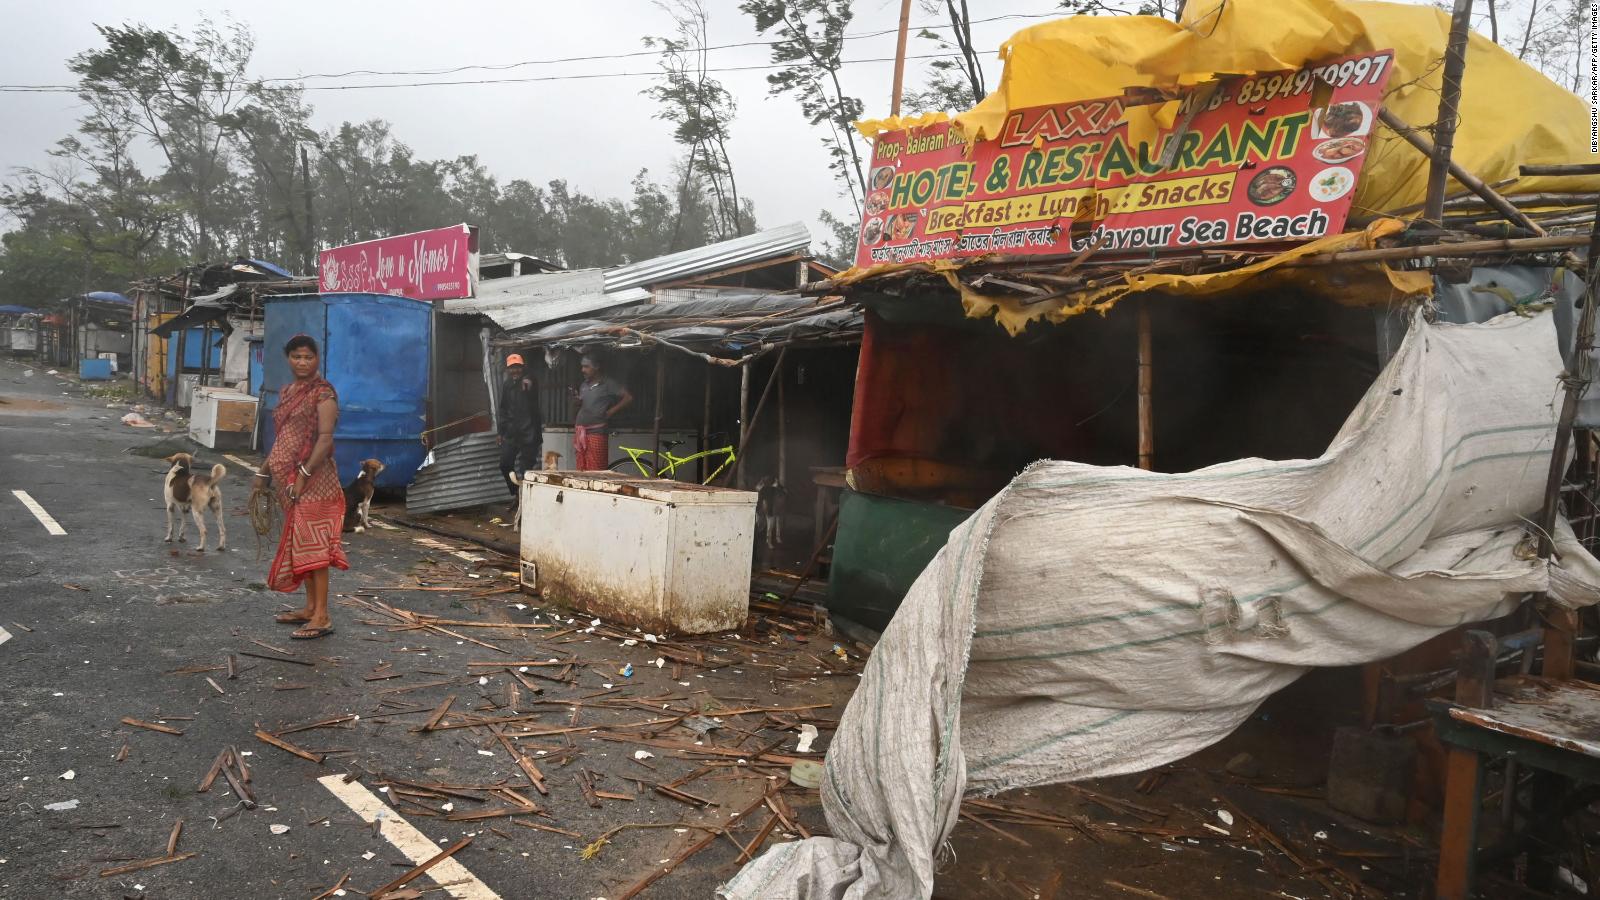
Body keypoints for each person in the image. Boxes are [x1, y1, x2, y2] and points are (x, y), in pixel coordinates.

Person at [254, 334, 347, 640]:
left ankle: (322, 616)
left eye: (308, 357)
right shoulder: (289, 391)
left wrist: (304, 474)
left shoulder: (323, 395)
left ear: (317, 359)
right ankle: (309, 608)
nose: (303, 362)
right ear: (288, 359)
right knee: (301, 544)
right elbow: (284, 439)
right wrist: (264, 471)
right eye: (297, 357)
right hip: (288, 483)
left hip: (315, 482)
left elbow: (324, 439)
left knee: (315, 547)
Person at [571, 355, 633, 470]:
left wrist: (611, 411)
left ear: (597, 367)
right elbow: (585, 404)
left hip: (597, 432)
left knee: (596, 469)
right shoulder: (584, 385)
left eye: (586, 367)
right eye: (582, 367)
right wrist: (577, 403)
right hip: (581, 433)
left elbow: (628, 397)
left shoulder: (608, 384)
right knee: (581, 469)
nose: (582, 370)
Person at [497, 353, 542, 506]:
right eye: (512, 368)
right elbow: (503, 409)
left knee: (526, 470)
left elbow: (531, 380)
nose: (515, 370)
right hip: (511, 433)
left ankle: (526, 503)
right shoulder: (507, 384)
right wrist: (501, 432)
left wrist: (527, 381)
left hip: (529, 433)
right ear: (508, 369)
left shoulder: (529, 380)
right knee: (504, 464)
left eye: (517, 367)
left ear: (522, 368)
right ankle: (516, 493)